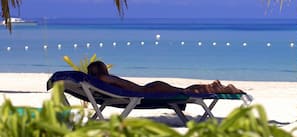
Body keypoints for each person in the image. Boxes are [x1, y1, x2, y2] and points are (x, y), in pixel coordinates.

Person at [87, 61, 245, 94]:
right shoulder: (104, 80)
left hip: (149, 90)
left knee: (185, 92)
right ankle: (217, 87)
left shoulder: (100, 81)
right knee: (185, 91)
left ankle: (218, 88)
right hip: (149, 89)